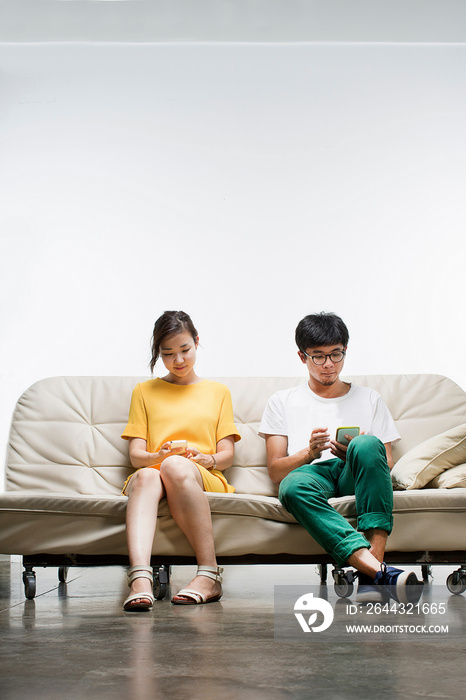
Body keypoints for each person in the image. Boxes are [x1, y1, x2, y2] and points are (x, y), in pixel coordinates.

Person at [259, 312, 423, 604]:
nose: (328, 365)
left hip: (355, 474)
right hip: (312, 473)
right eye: (318, 357)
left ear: (345, 351)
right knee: (292, 487)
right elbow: (275, 472)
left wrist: (355, 455)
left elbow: (386, 462)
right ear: (302, 357)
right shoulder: (282, 401)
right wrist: (308, 453)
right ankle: (377, 575)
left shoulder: (369, 398)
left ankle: (373, 568)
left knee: (367, 444)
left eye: (336, 354)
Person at [121, 310, 241, 611]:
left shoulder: (218, 392)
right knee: (149, 474)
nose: (178, 361)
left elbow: (227, 455)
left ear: (197, 342)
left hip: (201, 473)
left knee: (175, 466)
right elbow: (137, 457)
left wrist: (206, 458)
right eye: (168, 353)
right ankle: (140, 579)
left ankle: (209, 573)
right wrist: (157, 456)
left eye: (185, 350)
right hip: (156, 471)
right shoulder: (144, 391)